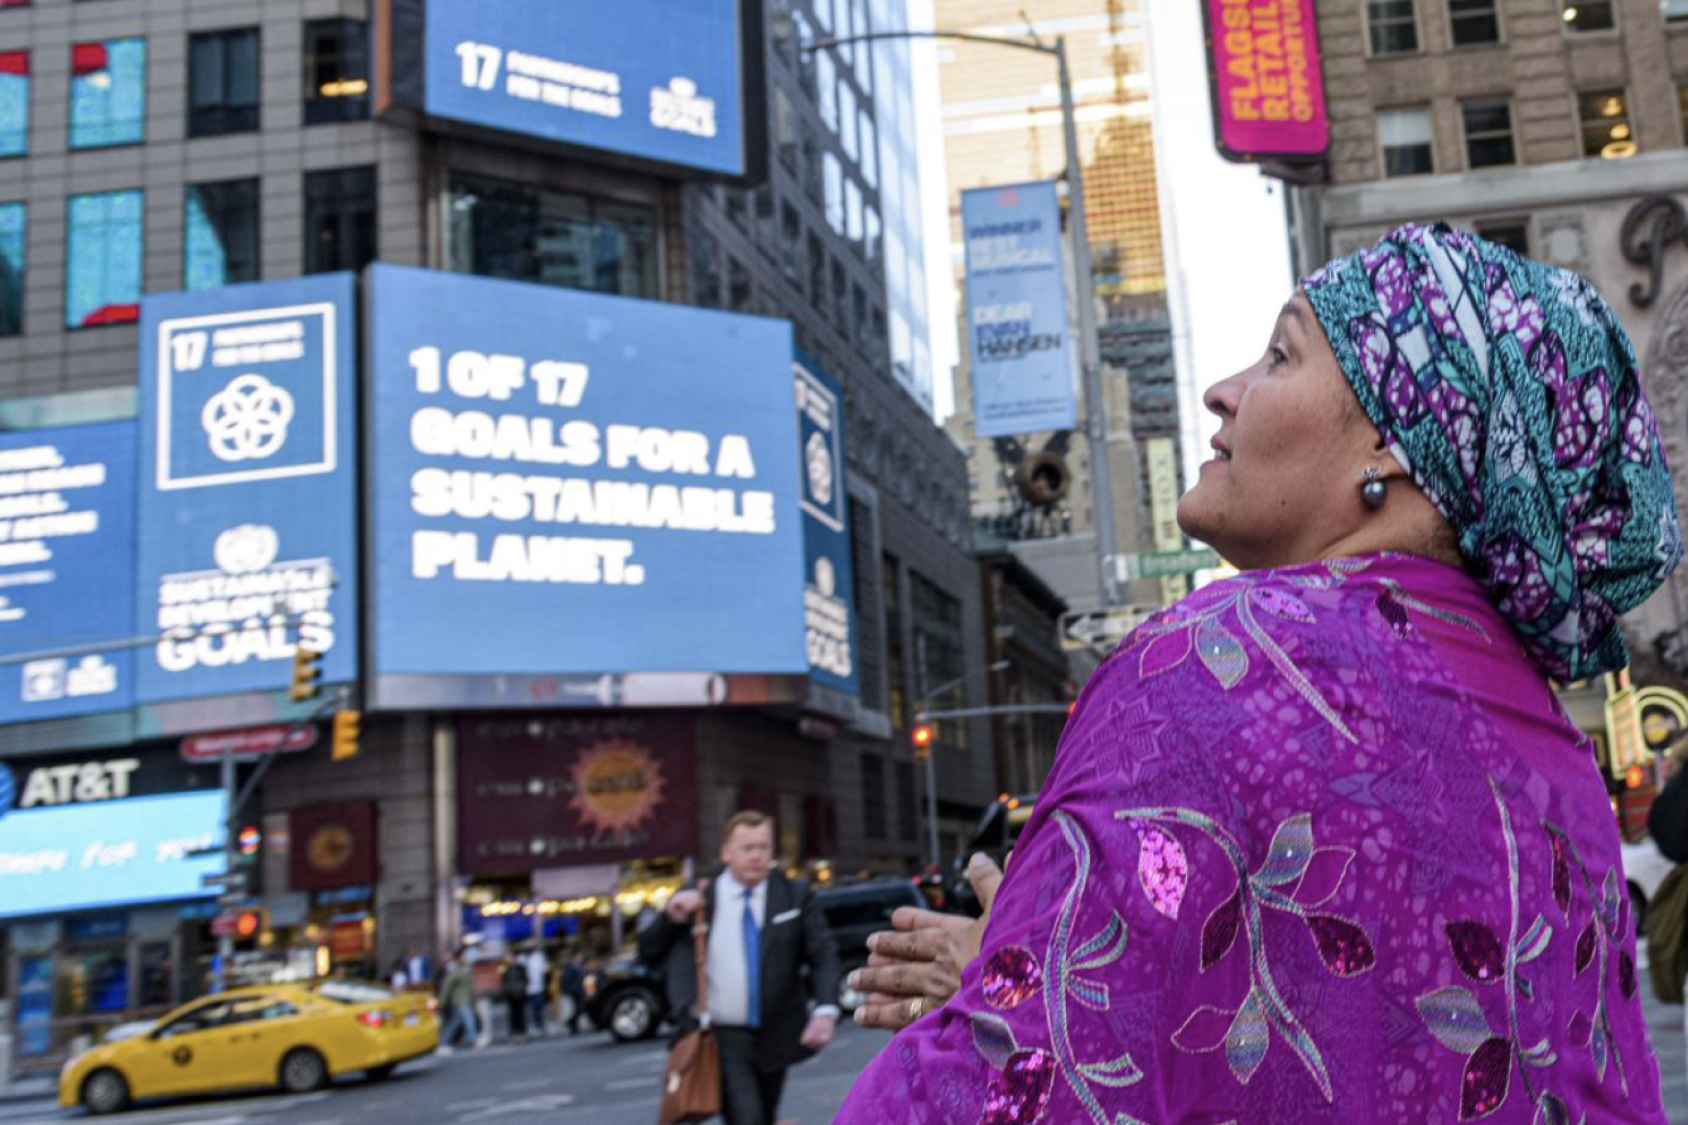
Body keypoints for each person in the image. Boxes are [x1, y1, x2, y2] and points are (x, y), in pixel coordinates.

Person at [839, 224, 1679, 1124]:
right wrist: (1037, 966)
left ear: (1393, 440)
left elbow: (1003, 1093)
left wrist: (1024, 993)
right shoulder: (1553, 747)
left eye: (1281, 355)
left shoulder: (1217, 662)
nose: (1223, 390)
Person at [639, 811, 842, 1125]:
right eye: (747, 848)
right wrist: (672, 916)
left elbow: (822, 953)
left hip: (777, 1030)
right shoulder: (702, 894)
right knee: (747, 1116)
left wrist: (825, 1010)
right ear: (726, 853)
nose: (756, 856)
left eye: (763, 847)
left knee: (763, 1113)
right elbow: (648, 950)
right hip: (721, 1033)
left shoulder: (793, 894)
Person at [437, 951, 480, 1054]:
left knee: (455, 1023)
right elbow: (447, 986)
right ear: (458, 958)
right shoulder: (455, 970)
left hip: (466, 999)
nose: (465, 958)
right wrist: (442, 1001)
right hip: (460, 1000)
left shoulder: (465, 968)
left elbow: (470, 984)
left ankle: (444, 1041)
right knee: (469, 1019)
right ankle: (474, 1040)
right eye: (463, 956)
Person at [522, 942, 550, 1037]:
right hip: (530, 988)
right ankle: (537, 1025)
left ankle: (540, 1025)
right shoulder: (526, 959)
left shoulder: (539, 958)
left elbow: (544, 971)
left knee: (538, 1007)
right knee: (534, 1008)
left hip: (538, 987)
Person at [499, 952, 528, 1039]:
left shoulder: (520, 967)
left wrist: (521, 988)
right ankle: (514, 1031)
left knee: (520, 1013)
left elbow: (525, 979)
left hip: (519, 993)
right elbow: (503, 980)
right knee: (512, 1014)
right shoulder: (505, 968)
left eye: (509, 957)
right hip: (510, 994)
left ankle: (522, 1031)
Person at [560, 948, 589, 1035]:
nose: (581, 957)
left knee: (580, 1008)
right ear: (575, 956)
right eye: (579, 955)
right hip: (574, 991)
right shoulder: (570, 966)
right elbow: (566, 979)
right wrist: (569, 989)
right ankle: (572, 1023)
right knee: (578, 1008)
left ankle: (572, 1023)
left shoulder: (580, 965)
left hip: (580, 990)